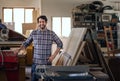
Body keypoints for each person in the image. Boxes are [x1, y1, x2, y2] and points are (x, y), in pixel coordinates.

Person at [16, 15, 63, 81]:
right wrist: (19, 49)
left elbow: (60, 44)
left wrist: (53, 56)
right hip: (36, 63)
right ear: (38, 23)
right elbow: (26, 43)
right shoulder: (34, 33)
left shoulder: (51, 34)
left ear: (46, 22)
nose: (41, 23)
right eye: (40, 22)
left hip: (47, 63)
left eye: (43, 22)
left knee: (48, 79)